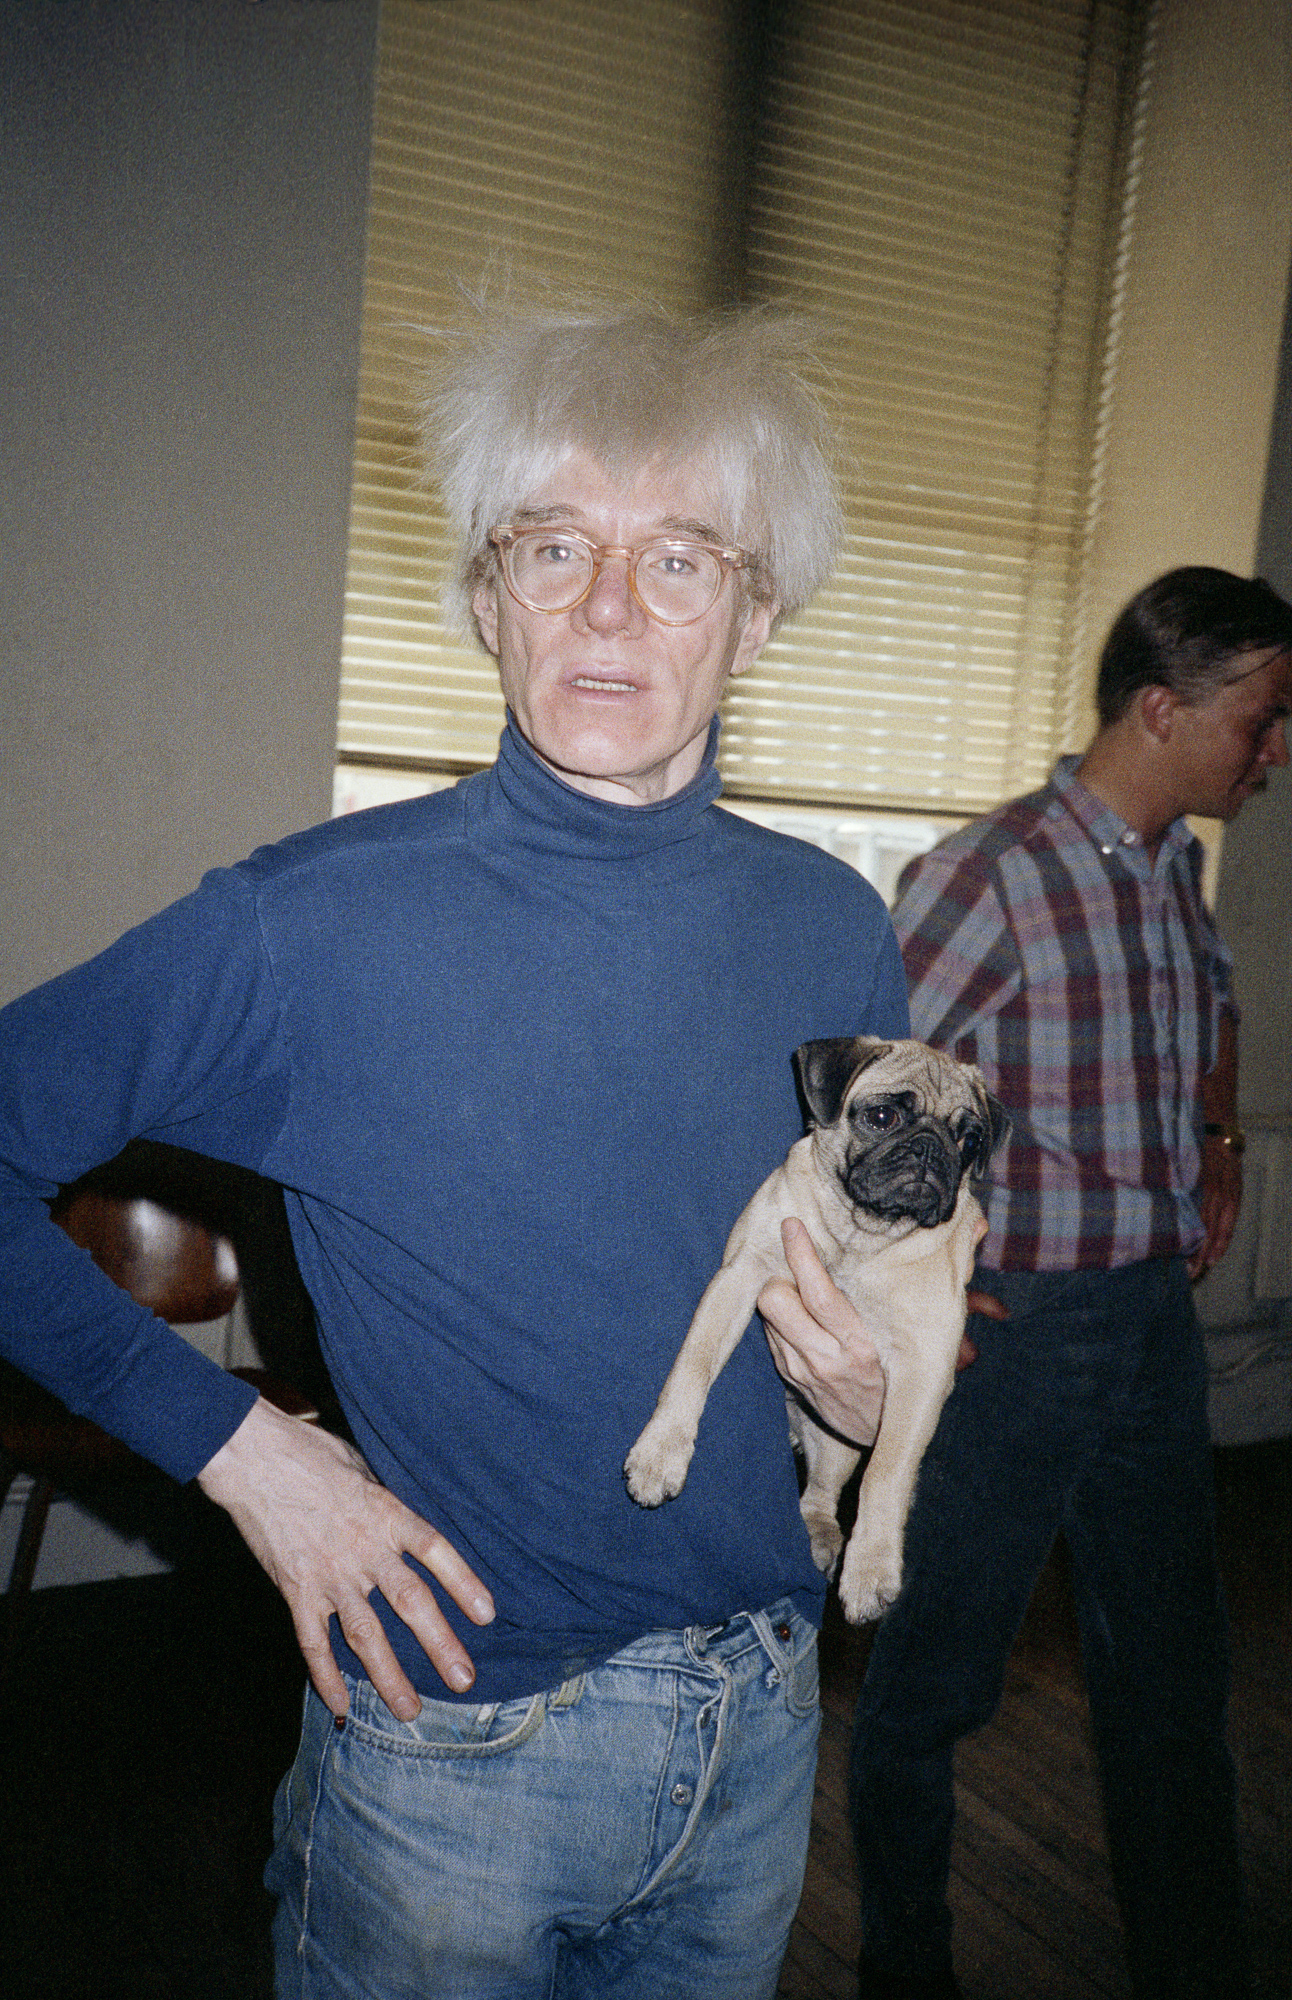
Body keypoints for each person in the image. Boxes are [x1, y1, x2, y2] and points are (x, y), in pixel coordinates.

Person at [0, 306, 907, 2000]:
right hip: (457, 1752)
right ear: (488, 598)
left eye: (680, 559)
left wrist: (847, 1412)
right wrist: (249, 1454)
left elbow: (799, 1291)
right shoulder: (305, 929)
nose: (608, 607)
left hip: (767, 1731)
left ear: (760, 611)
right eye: (552, 546)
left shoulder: (835, 927)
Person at [846, 566, 1292, 2000]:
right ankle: (904, 1971)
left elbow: (1208, 1004)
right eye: (1263, 720)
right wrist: (915, 1282)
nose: (1274, 754)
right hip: (1018, 1335)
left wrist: (1215, 1134)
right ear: (1164, 709)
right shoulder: (987, 877)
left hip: (1150, 1325)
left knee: (1173, 1692)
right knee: (927, 1693)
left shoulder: (1176, 867)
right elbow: (864, 1107)